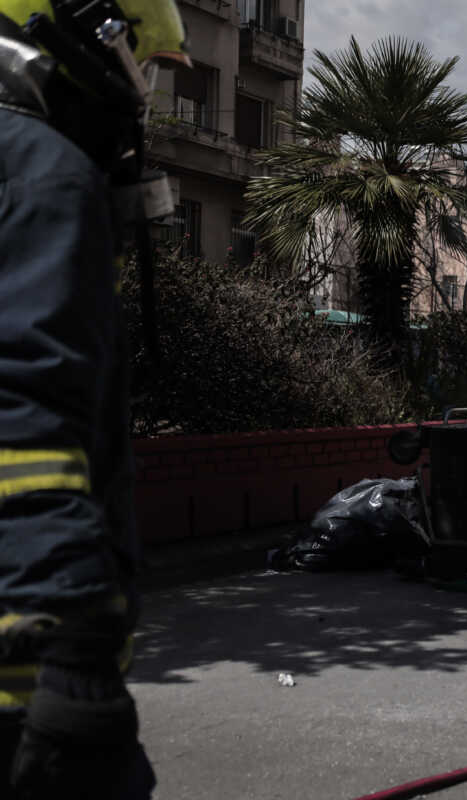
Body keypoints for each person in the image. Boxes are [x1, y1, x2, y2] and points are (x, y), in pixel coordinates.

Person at [0, 2, 188, 796]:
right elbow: (22, 413)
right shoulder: (41, 170)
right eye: (142, 66)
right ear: (91, 34)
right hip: (24, 682)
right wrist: (74, 646)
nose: (141, 96)